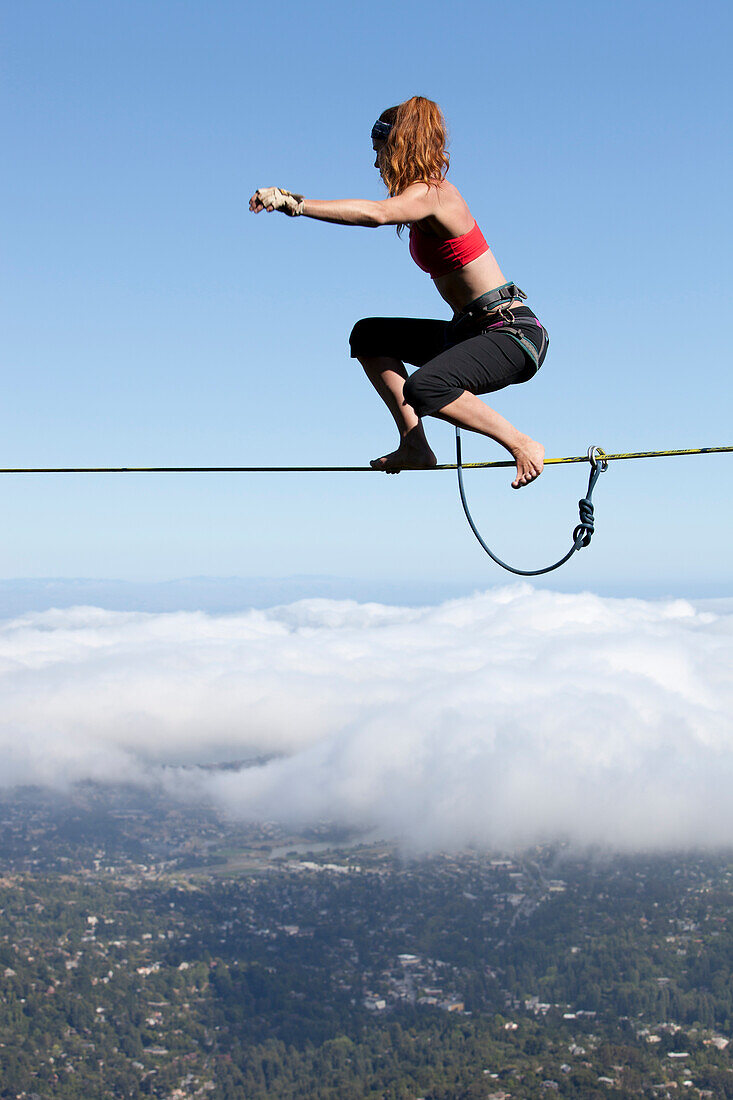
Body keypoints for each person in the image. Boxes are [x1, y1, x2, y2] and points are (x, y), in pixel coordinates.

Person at [249, 96, 548, 488]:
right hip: (469, 331)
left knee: (425, 387)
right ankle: (415, 446)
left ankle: (521, 443)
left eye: (380, 153)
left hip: (510, 333)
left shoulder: (437, 194)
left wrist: (296, 204)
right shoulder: (420, 198)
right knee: (369, 335)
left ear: (400, 146)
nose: (376, 164)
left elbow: (376, 214)